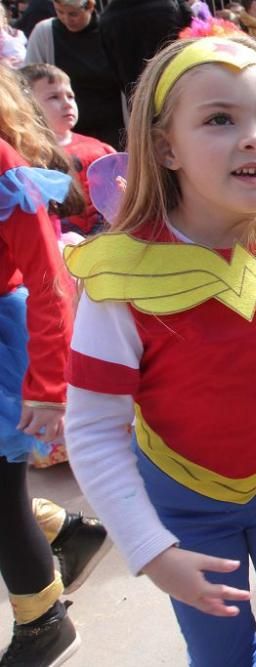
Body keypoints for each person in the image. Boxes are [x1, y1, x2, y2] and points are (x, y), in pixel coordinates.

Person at [63, 35, 256, 666]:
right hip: (184, 501)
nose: (255, 137)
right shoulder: (121, 278)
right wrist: (153, 551)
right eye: (220, 119)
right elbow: (93, 429)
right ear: (165, 146)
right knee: (223, 656)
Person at [0, 62, 106, 667]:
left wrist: (47, 384)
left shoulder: (4, 165)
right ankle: (64, 530)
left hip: (4, 344)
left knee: (0, 496)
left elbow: (46, 279)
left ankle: (43, 623)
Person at [22, 63, 115, 237]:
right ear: (25, 106)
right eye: (54, 97)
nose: (67, 104)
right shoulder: (27, 156)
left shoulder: (100, 149)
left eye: (70, 96)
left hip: (106, 241)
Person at [24, 0, 125, 149]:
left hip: (113, 131)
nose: (66, 19)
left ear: (90, 7)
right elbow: (28, 82)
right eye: (60, 12)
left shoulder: (112, 31)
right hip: (64, 137)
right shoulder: (44, 33)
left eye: (73, 14)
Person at [97, 0, 194, 101]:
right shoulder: (170, 6)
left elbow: (116, 72)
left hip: (139, 101)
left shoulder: (107, 19)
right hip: (179, 91)